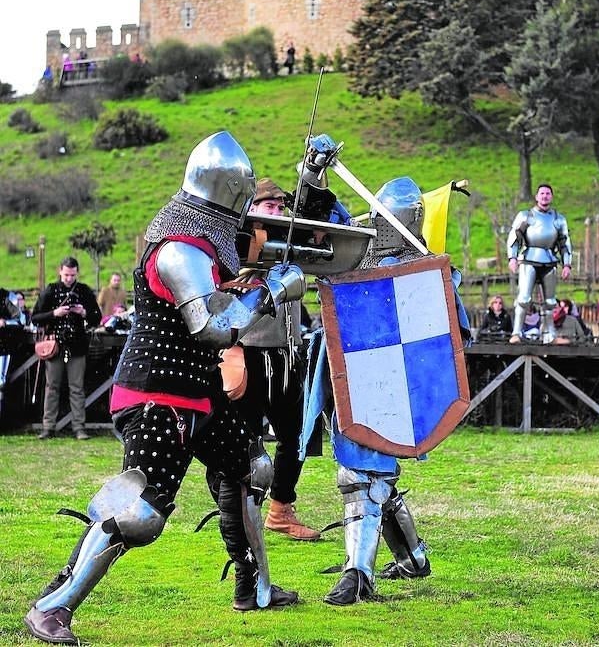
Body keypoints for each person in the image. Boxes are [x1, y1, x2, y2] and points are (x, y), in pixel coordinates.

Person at [24, 131, 305, 646]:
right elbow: (215, 328)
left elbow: (255, 251)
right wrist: (271, 289)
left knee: (251, 467)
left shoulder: (206, 238)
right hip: (157, 397)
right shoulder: (180, 249)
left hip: (199, 394)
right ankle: (53, 606)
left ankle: (255, 586)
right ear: (228, 197)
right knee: (142, 513)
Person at [301, 172, 470, 605]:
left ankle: (359, 573)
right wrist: (313, 177)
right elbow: (320, 226)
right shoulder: (360, 260)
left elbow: (453, 338)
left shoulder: (430, 273)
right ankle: (412, 557)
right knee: (374, 473)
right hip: (356, 381)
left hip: (387, 388)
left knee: (359, 475)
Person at [228, 176, 320, 541]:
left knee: (295, 437)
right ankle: (243, 511)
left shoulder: (290, 242)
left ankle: (281, 509)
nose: (278, 212)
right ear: (253, 208)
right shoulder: (239, 241)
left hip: (287, 357)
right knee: (247, 440)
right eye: (270, 206)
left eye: (281, 207)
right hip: (250, 355)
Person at [31, 258, 101, 440]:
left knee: (76, 388)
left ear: (77, 273)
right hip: (54, 345)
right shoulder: (51, 290)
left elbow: (97, 317)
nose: (69, 278)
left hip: (77, 345)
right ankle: (48, 427)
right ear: (60, 271)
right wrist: (54, 313)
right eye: (66, 274)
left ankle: (79, 427)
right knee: (51, 386)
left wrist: (83, 312)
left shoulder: (84, 290)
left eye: (72, 274)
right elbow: (35, 317)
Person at [507, 183, 572, 344]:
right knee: (524, 298)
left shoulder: (558, 218)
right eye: (542, 193)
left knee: (550, 301)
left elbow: (565, 243)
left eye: (548, 193)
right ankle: (516, 333)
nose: (544, 196)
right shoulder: (526, 215)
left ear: (551, 196)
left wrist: (567, 264)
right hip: (529, 258)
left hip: (549, 259)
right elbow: (514, 237)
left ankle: (550, 335)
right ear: (536, 196)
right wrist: (512, 257)